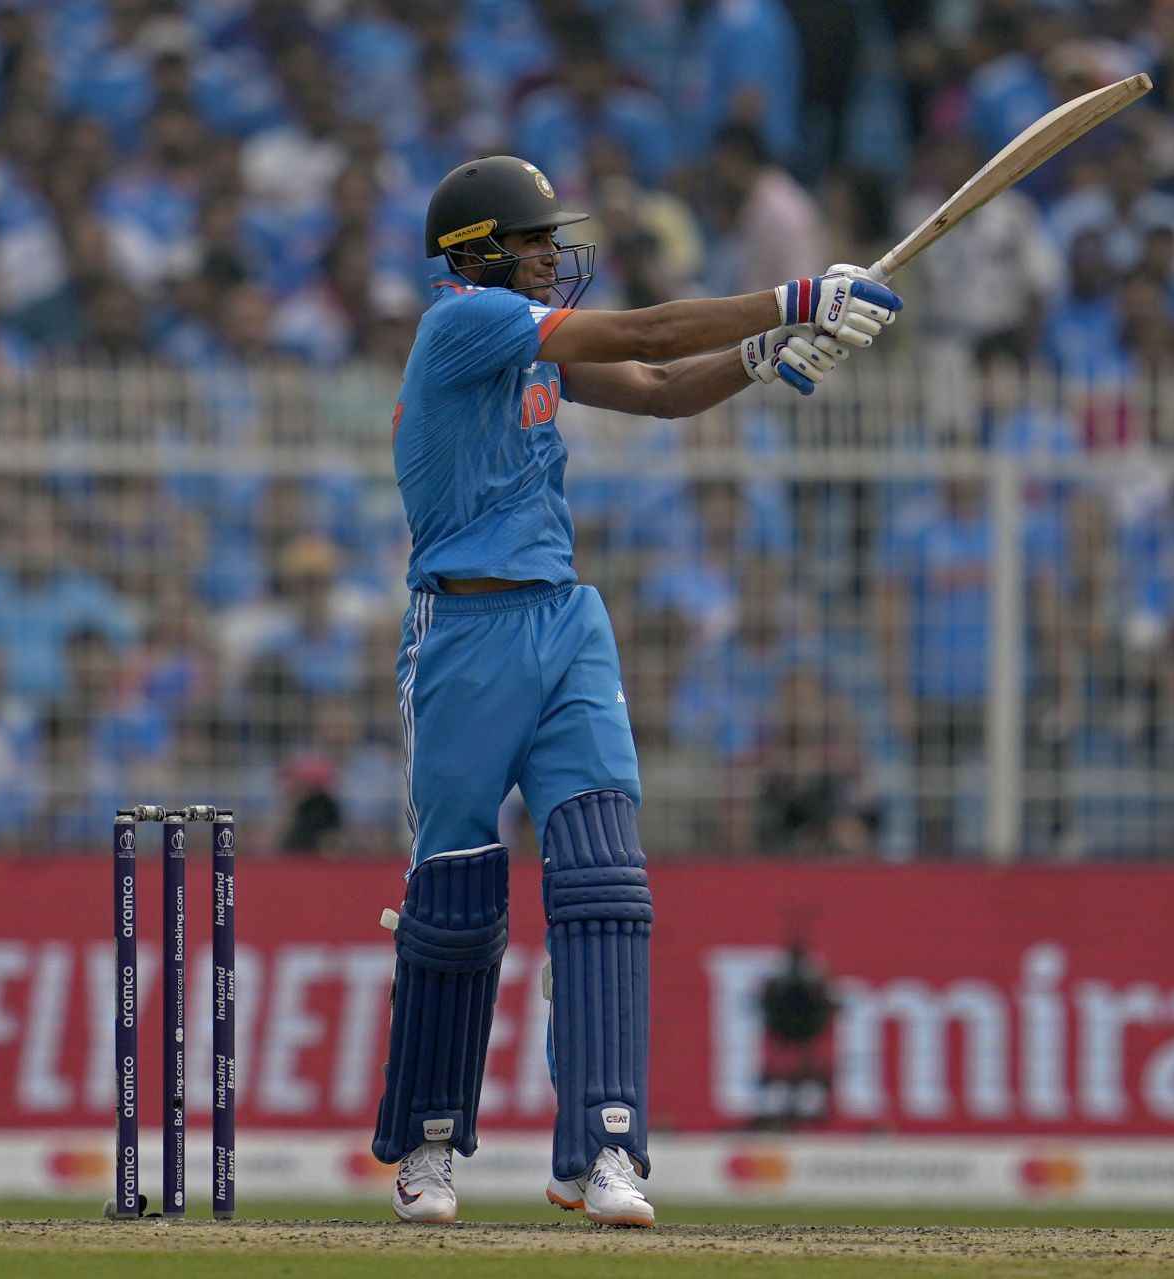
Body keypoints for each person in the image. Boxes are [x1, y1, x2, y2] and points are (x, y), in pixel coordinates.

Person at [371, 155, 900, 1227]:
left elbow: (661, 391)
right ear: (475, 252)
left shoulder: (523, 340)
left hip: (564, 620)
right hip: (463, 633)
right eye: (528, 241)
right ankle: (429, 1146)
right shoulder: (463, 323)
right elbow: (651, 336)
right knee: (459, 905)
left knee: (606, 881)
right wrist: (799, 295)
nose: (546, 256)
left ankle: (602, 1150)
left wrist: (763, 354)